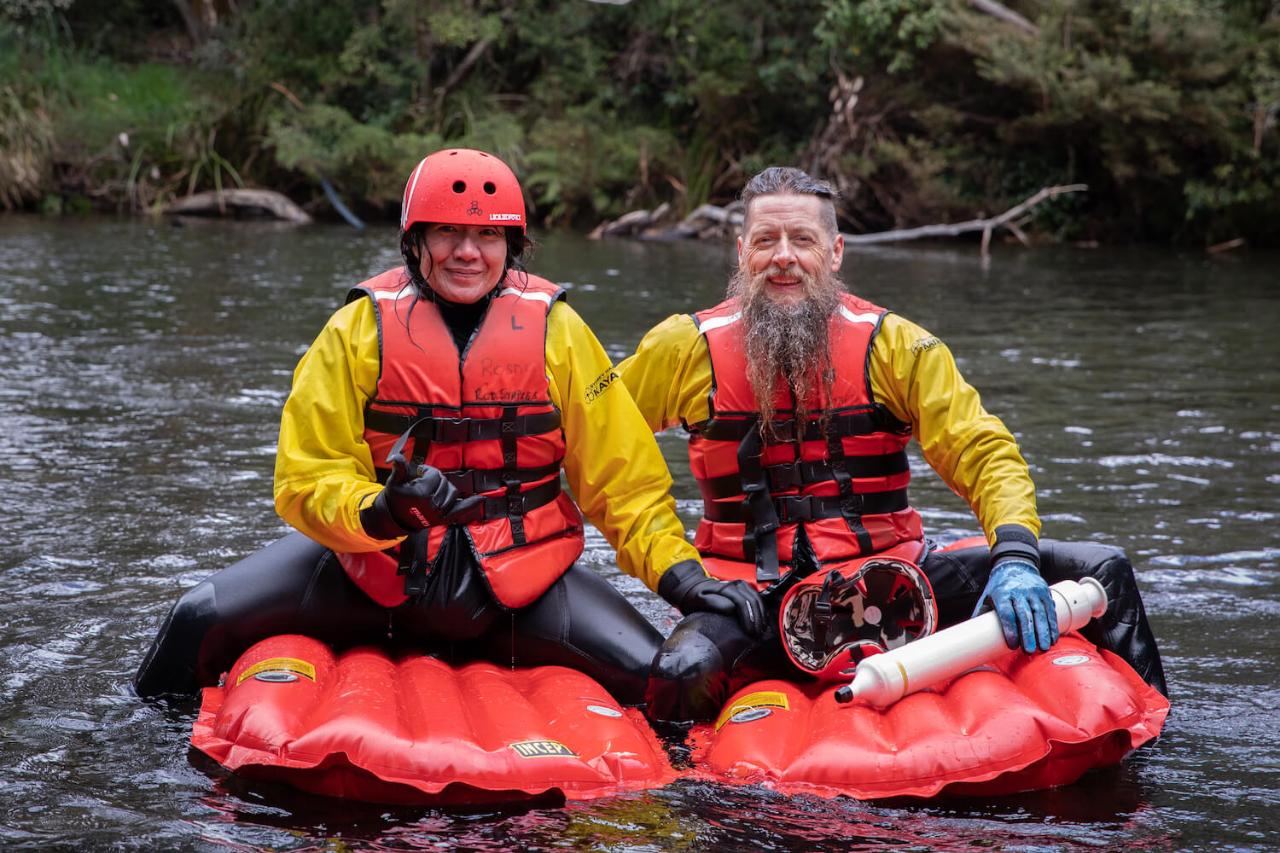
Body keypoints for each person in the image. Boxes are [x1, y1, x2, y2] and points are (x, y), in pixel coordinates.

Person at [134, 149, 763, 706]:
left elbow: (624, 486)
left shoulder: (561, 334)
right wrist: (380, 511)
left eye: (488, 236)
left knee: (671, 680)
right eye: (448, 232)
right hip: (372, 573)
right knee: (195, 619)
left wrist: (685, 580)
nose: (468, 252)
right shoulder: (354, 332)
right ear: (415, 241)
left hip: (524, 583)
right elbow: (306, 477)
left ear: (512, 246)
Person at [620, 166, 1167, 722]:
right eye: (766, 241)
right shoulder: (681, 348)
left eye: (802, 239)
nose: (783, 257)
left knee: (1102, 567)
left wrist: (1016, 556)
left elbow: (982, 451)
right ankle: (688, 772)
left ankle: (1154, 739)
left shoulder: (898, 346)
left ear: (835, 252)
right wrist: (681, 576)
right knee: (680, 672)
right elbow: (605, 454)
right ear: (742, 253)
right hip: (744, 598)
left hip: (897, 581)